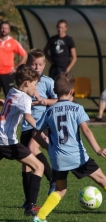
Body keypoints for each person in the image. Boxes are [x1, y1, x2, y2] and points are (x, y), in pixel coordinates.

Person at [31, 72, 106, 222]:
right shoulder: (77, 108)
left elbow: (36, 133)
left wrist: (48, 146)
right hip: (77, 156)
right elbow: (86, 130)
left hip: (58, 158)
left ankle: (40, 217)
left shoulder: (49, 111)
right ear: (71, 91)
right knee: (103, 180)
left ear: (55, 91)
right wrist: (97, 149)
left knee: (60, 190)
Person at [0, 64, 45, 216]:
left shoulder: (12, 90)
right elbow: (27, 116)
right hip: (7, 142)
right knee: (39, 167)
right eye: (35, 85)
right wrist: (40, 130)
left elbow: (14, 104)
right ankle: (30, 206)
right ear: (26, 83)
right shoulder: (25, 97)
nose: (36, 89)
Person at [20, 49, 58, 209]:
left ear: (44, 65)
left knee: (32, 148)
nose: (36, 67)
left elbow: (57, 100)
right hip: (26, 126)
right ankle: (29, 201)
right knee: (26, 164)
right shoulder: (24, 82)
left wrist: (43, 101)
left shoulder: (48, 82)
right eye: (34, 64)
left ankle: (52, 179)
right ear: (28, 64)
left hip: (41, 124)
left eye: (40, 64)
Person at [0, 21, 28, 97]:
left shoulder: (13, 42)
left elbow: (24, 55)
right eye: (2, 28)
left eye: (6, 28)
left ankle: (9, 109)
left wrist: (16, 68)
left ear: (9, 30)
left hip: (8, 73)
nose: (4, 30)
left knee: (10, 96)